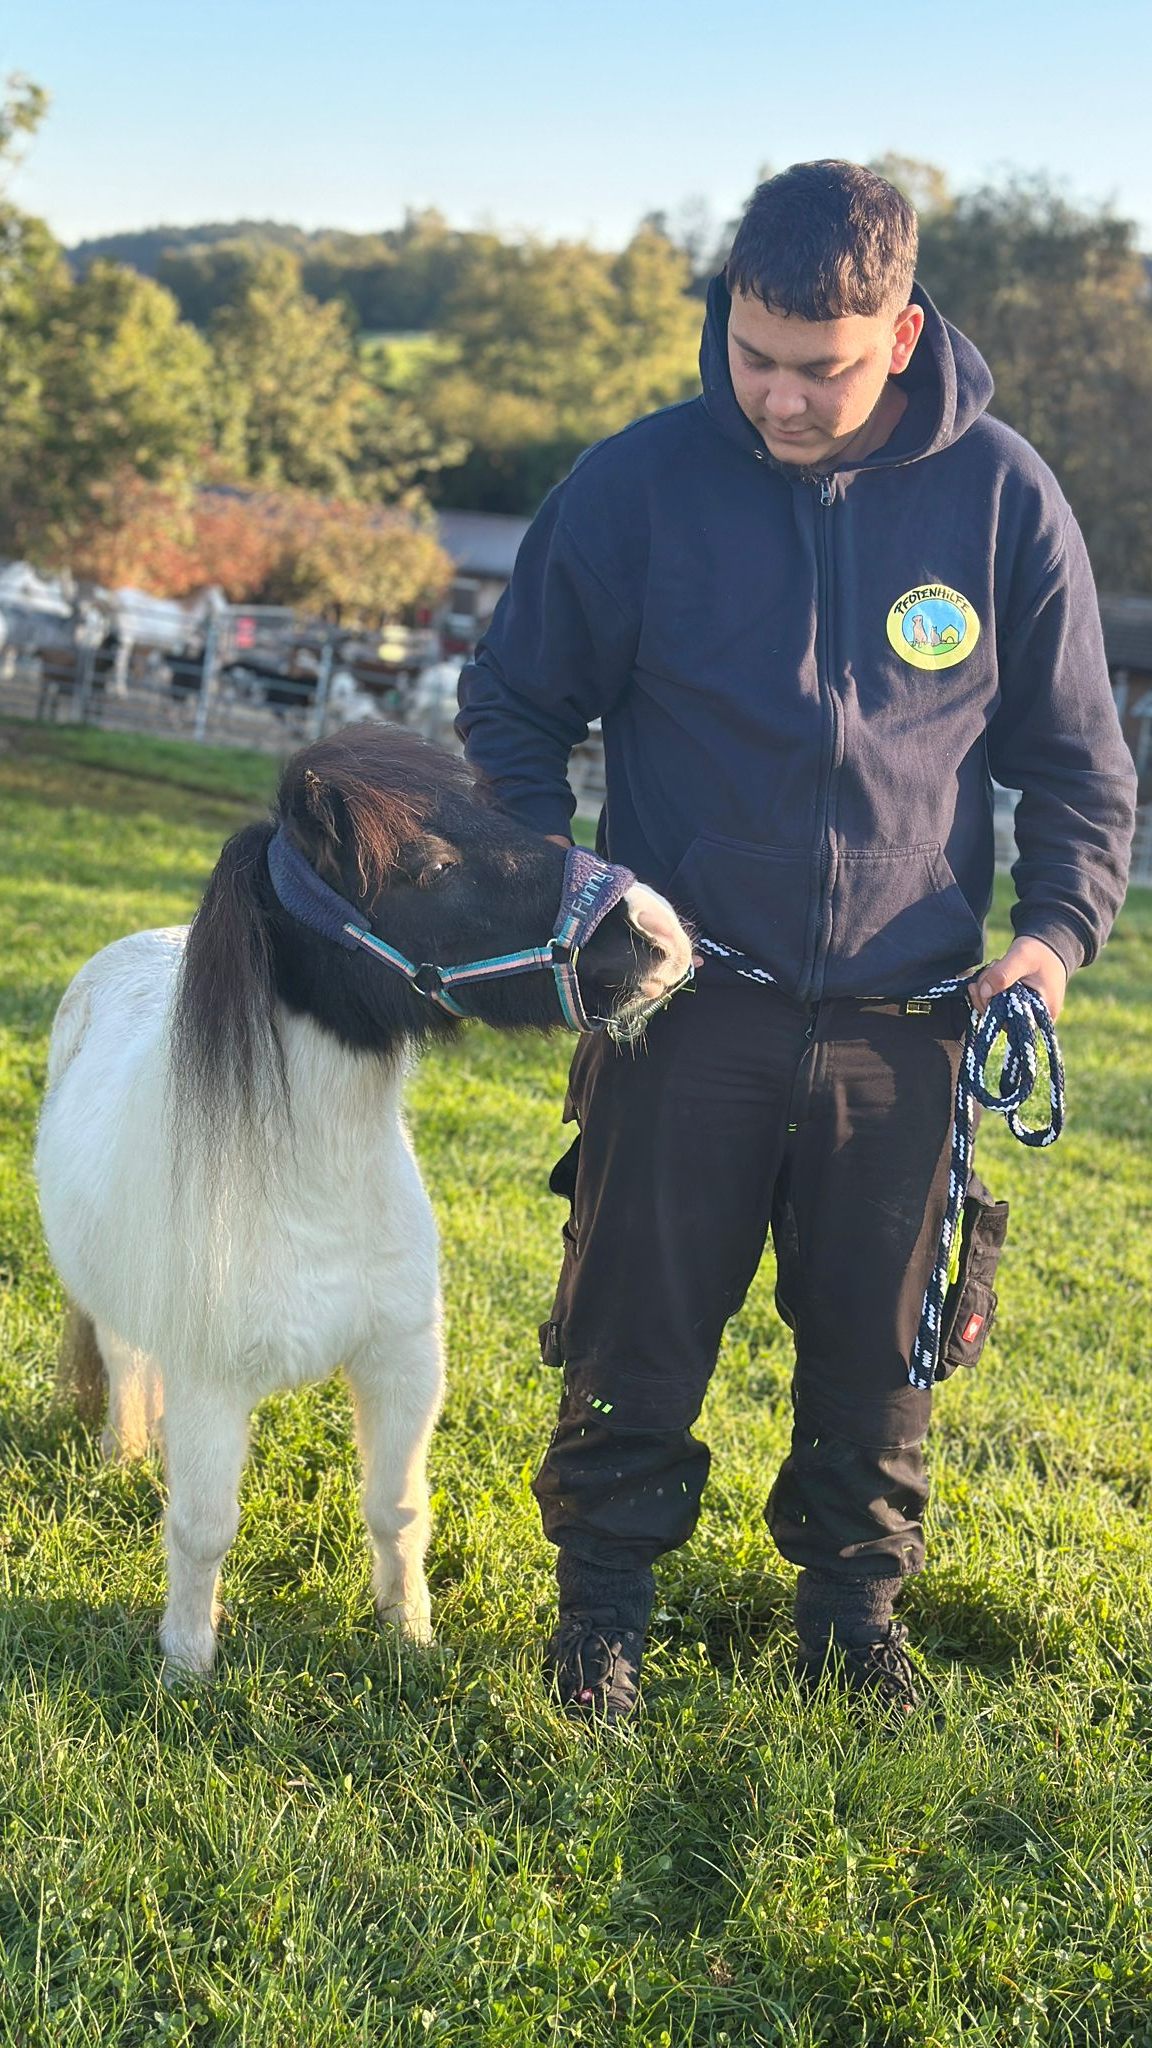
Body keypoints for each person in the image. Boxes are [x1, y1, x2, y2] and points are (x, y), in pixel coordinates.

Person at [456, 161, 1137, 1731]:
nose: (776, 395)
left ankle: (851, 1621)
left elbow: (1079, 767)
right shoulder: (635, 487)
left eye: (817, 368)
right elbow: (512, 705)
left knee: (880, 1349)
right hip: (683, 1005)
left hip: (913, 1019)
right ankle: (600, 1619)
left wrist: (1050, 941)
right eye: (751, 353)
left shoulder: (1002, 496)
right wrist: (566, 884)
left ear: (900, 334)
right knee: (634, 1319)